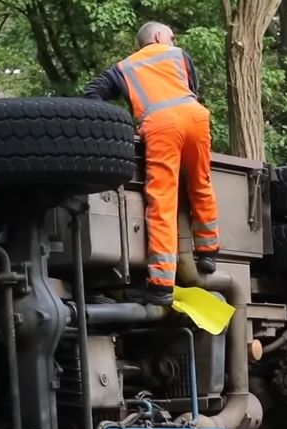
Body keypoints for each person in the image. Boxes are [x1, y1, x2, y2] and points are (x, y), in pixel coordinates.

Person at [83, 21, 219, 307]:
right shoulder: (179, 55)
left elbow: (92, 93)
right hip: (195, 117)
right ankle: (208, 252)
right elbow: (194, 87)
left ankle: (160, 286)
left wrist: (117, 125)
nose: (173, 39)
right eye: (170, 35)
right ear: (158, 36)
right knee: (201, 182)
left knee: (163, 203)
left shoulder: (124, 67)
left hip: (160, 128)